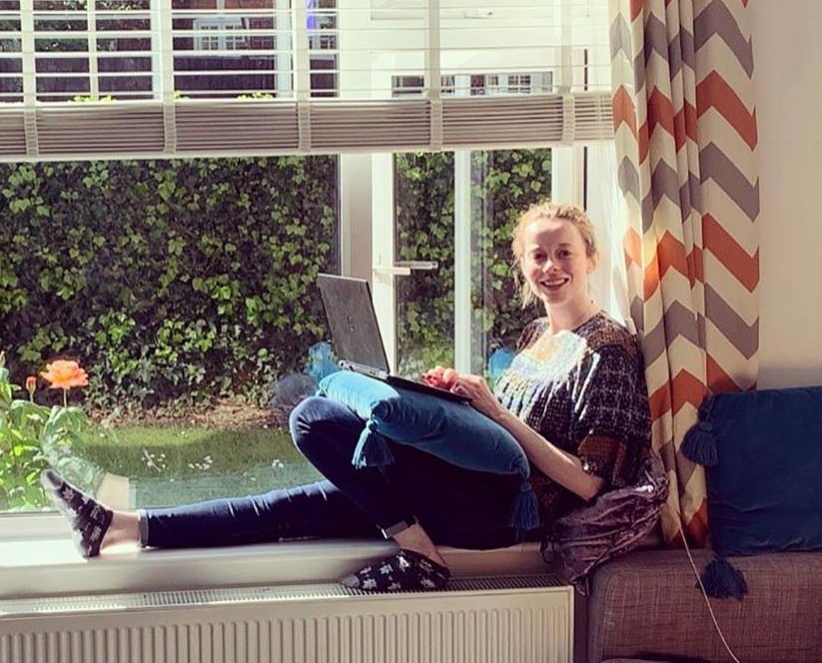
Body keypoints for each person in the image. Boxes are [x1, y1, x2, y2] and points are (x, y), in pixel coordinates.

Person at [43, 201, 651, 593]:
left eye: (563, 253)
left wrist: (491, 413)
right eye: (537, 255)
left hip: (505, 515)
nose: (550, 267)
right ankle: (119, 526)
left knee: (316, 418)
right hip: (472, 479)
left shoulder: (608, 350)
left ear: (590, 259)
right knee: (295, 505)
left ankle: (419, 555)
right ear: (523, 266)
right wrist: (462, 397)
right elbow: (508, 429)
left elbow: (590, 485)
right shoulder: (539, 335)